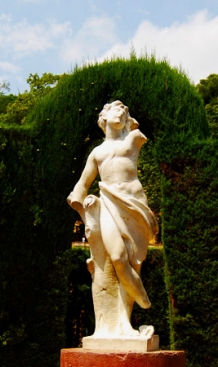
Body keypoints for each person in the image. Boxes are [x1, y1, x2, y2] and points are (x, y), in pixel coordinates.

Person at [67, 101, 158, 313]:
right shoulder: (97, 153)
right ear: (104, 116)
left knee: (134, 261)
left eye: (126, 112)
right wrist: (81, 202)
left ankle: (125, 319)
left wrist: (129, 123)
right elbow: (82, 184)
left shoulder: (134, 138)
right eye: (118, 109)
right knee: (117, 257)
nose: (123, 112)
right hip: (108, 203)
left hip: (134, 205)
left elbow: (138, 131)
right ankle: (143, 299)